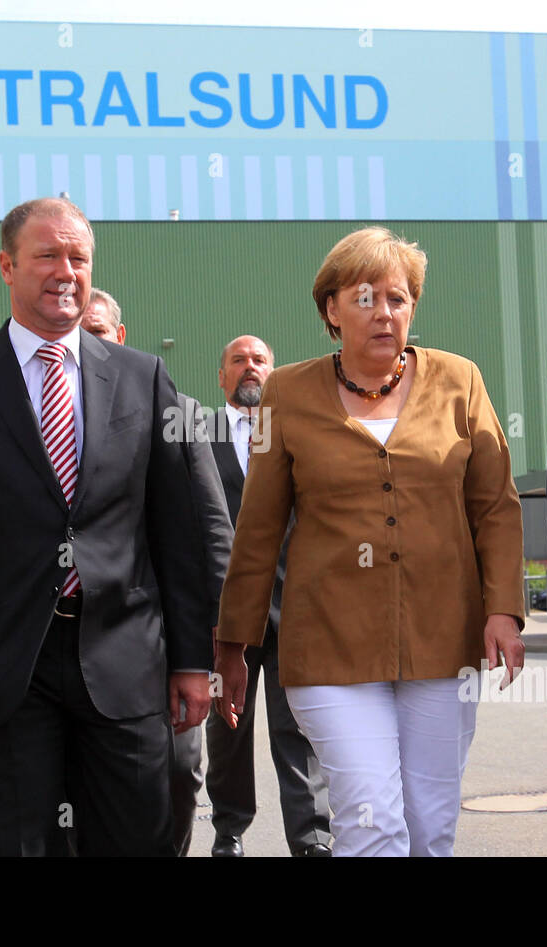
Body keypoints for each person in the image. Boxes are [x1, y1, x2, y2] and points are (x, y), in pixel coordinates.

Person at [0, 197, 213, 857]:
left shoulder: (142, 378)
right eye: (47, 255)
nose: (65, 270)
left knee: (135, 840)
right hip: (8, 667)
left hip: (124, 661)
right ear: (7, 266)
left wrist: (191, 659)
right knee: (27, 844)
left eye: (78, 257)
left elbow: (179, 534)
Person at [214, 227, 525, 857]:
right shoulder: (286, 394)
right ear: (331, 308)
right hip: (328, 647)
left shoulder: (460, 380)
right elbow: (258, 530)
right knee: (371, 820)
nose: (384, 312)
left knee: (430, 825)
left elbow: (494, 506)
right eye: (364, 298)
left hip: (443, 638)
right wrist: (232, 646)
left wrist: (504, 609)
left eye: (399, 297)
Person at [81, 287, 232, 856]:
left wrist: (220, 634)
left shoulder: (175, 411)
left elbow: (211, 527)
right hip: (71, 639)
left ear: (120, 336)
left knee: (176, 769)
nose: (86, 341)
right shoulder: (31, 408)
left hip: (161, 636)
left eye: (99, 331)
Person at [205, 334, 332, 858]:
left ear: (273, 373)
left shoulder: (295, 431)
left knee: (297, 728)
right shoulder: (197, 434)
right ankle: (228, 830)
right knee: (227, 730)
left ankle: (312, 838)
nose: (249, 368)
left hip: (292, 611)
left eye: (259, 360)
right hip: (221, 616)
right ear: (222, 376)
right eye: (238, 360)